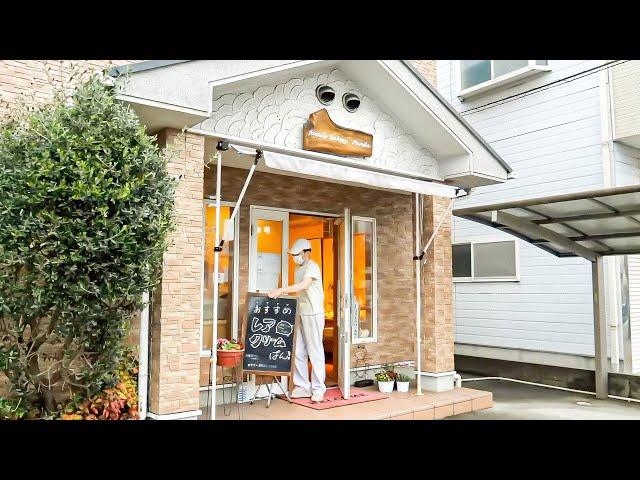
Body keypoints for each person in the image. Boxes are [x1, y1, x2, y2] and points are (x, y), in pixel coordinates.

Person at [267, 238, 326, 402]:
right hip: (300, 312)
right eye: (293, 255)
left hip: (313, 313)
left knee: (315, 351)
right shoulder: (297, 269)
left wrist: (281, 290)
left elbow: (303, 286)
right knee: (299, 350)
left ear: (306, 252)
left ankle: (319, 388)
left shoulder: (312, 267)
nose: (294, 257)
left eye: (297, 254)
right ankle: (302, 386)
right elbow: (297, 290)